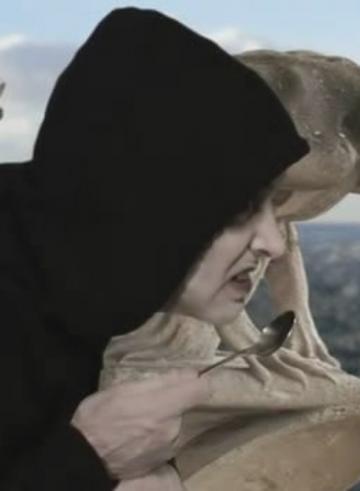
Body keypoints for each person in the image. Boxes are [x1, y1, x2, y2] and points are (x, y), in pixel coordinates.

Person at [0, 7, 309, 490]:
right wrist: (88, 457)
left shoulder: (67, 280)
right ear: (146, 202)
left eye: (274, 205)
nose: (273, 242)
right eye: (239, 208)